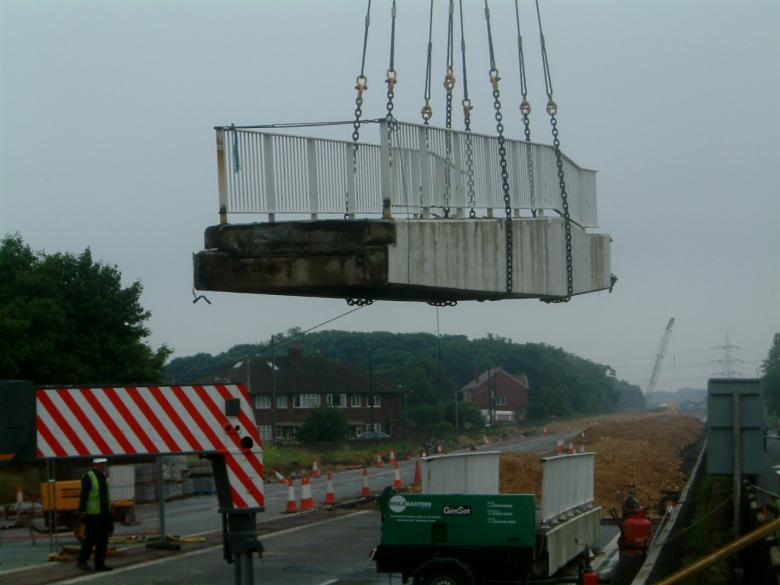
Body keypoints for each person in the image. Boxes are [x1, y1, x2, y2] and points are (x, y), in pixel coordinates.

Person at [77, 457, 113, 571]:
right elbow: (84, 495)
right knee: (90, 539)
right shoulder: (89, 476)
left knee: (103, 540)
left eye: (104, 464)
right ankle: (82, 561)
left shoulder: (103, 477)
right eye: (101, 464)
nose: (103, 466)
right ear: (95, 464)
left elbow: (105, 496)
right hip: (92, 514)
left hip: (103, 513)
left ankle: (100, 563)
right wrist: (82, 511)